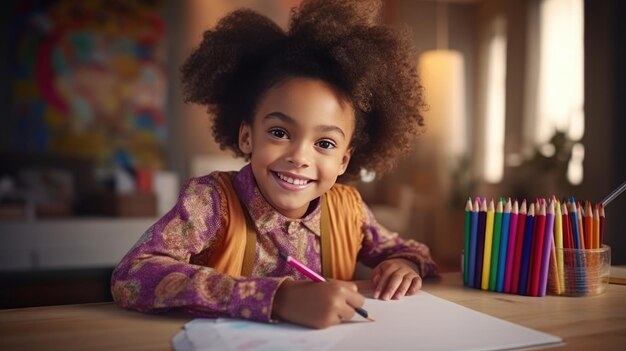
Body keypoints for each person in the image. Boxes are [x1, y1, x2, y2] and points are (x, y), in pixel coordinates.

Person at [111, 0, 437, 329]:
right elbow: (133, 276)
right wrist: (275, 298)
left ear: (344, 160)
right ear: (247, 137)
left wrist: (403, 264)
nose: (299, 157)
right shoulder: (210, 202)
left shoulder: (348, 210)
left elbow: (413, 252)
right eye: (280, 132)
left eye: (324, 143)